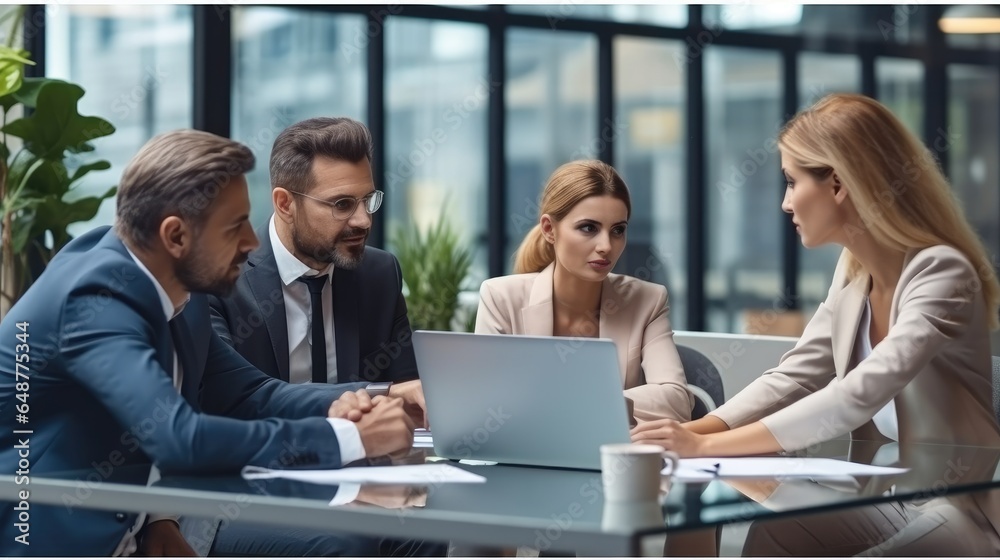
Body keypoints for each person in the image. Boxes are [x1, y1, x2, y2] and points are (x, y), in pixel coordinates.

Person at [0, 130, 416, 556]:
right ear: (176, 236)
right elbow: (178, 439)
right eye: (235, 227)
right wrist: (347, 438)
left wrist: (349, 403)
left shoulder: (180, 288)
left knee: (409, 529)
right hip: (43, 541)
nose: (253, 242)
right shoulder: (97, 299)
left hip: (126, 527)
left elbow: (246, 393)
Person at [631, 93, 1000, 555]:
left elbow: (855, 395)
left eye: (792, 181)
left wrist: (705, 448)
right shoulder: (853, 272)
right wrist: (690, 435)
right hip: (890, 498)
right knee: (772, 532)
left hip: (962, 511)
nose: (786, 203)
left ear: (840, 184)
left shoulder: (943, 272)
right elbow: (794, 376)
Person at [204, 117, 439, 556]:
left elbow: (409, 398)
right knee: (343, 543)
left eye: (368, 199)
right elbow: (234, 405)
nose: (363, 220)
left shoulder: (377, 274)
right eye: (342, 204)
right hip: (249, 479)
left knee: (432, 528)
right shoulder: (222, 278)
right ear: (284, 203)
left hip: (357, 474)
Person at [475, 160, 692, 424]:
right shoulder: (500, 297)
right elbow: (488, 403)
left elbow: (677, 401)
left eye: (618, 230)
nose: (606, 246)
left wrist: (578, 400)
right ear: (549, 229)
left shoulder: (647, 300)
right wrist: (604, 403)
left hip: (610, 457)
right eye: (588, 228)